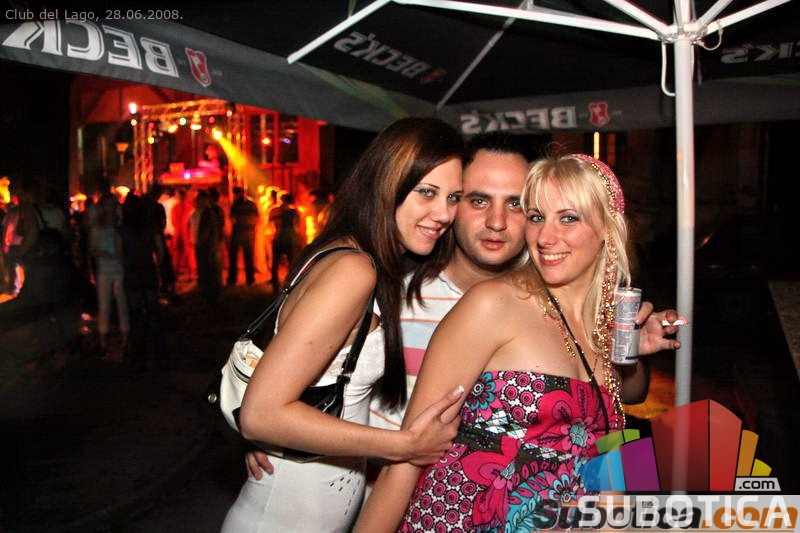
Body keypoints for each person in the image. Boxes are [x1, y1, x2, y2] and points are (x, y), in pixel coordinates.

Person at [358, 154, 682, 531]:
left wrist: (630, 351)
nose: (545, 237)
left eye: (568, 218)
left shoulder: (604, 323)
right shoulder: (493, 304)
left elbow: (622, 411)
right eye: (537, 217)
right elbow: (407, 455)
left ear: (608, 229)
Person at [220, 117, 467, 533]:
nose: (444, 213)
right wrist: (406, 445)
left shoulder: (356, 257)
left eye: (454, 197)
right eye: (427, 192)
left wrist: (278, 436)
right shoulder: (353, 270)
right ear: (386, 184)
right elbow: (261, 414)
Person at [89, 194, 128, 356]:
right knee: (104, 306)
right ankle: (103, 340)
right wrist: (107, 254)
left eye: (113, 205)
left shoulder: (120, 227)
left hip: (119, 270)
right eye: (107, 205)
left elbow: (123, 251)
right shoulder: (97, 229)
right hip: (104, 270)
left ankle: (125, 339)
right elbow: (93, 249)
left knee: (122, 304)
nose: (110, 209)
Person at [268, 191, 301, 289]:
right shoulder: (294, 211)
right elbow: (297, 225)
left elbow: (269, 224)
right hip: (289, 238)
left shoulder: (274, 210)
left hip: (278, 237)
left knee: (276, 261)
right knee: (290, 261)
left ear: (280, 199)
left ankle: (275, 282)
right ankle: (290, 281)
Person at [227, 186, 259, 286]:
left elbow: (232, 218)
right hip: (249, 232)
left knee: (233, 256)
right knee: (248, 256)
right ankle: (250, 279)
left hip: (238, 232)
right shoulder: (252, 203)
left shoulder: (235, 204)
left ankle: (232, 279)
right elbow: (256, 217)